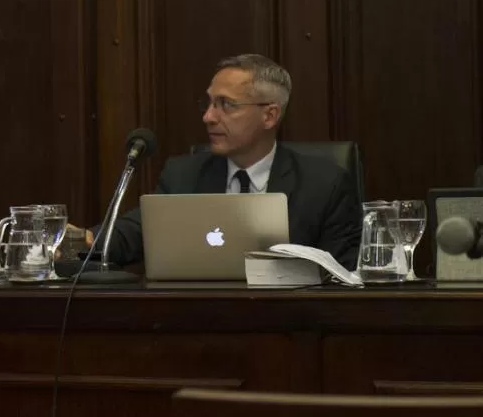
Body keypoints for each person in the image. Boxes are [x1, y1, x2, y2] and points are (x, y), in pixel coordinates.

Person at [82, 54, 362, 270]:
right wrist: (76, 241)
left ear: (270, 116)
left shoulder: (325, 185)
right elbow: (136, 232)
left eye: (226, 105)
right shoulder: (184, 175)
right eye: (209, 103)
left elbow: (341, 275)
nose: (209, 117)